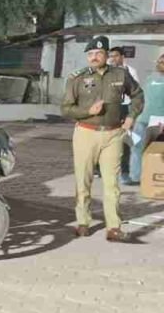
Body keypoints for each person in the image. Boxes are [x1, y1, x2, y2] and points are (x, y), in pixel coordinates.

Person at [61, 35, 144, 242]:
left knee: (112, 184)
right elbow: (66, 109)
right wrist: (87, 111)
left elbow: (138, 95)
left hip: (113, 135)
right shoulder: (76, 78)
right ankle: (83, 222)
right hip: (85, 133)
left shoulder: (120, 74)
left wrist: (131, 117)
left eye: (98, 53)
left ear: (107, 55)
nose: (94, 57)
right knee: (83, 180)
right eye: (90, 54)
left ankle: (113, 227)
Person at [126, 49, 164, 186]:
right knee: (137, 147)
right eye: (160, 61)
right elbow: (140, 98)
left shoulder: (150, 78)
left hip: (158, 121)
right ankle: (136, 176)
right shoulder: (149, 78)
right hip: (143, 120)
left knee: (156, 151)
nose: (161, 64)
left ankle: (153, 176)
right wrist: (132, 116)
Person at [108, 46, 139, 175]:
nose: (113, 59)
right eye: (111, 56)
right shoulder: (107, 71)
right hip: (110, 107)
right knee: (106, 136)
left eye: (115, 56)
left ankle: (124, 170)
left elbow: (136, 92)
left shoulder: (131, 71)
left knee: (125, 138)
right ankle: (101, 167)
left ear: (122, 57)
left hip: (125, 107)